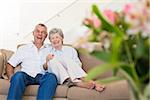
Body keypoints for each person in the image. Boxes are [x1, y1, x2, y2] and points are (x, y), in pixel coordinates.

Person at [6, 23, 57, 100]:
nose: (40, 34)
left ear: (46, 36)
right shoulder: (23, 48)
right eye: (38, 31)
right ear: (33, 33)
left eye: (43, 32)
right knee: (18, 75)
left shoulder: (51, 49)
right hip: (26, 76)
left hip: (43, 76)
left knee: (51, 77)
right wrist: (11, 77)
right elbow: (10, 64)